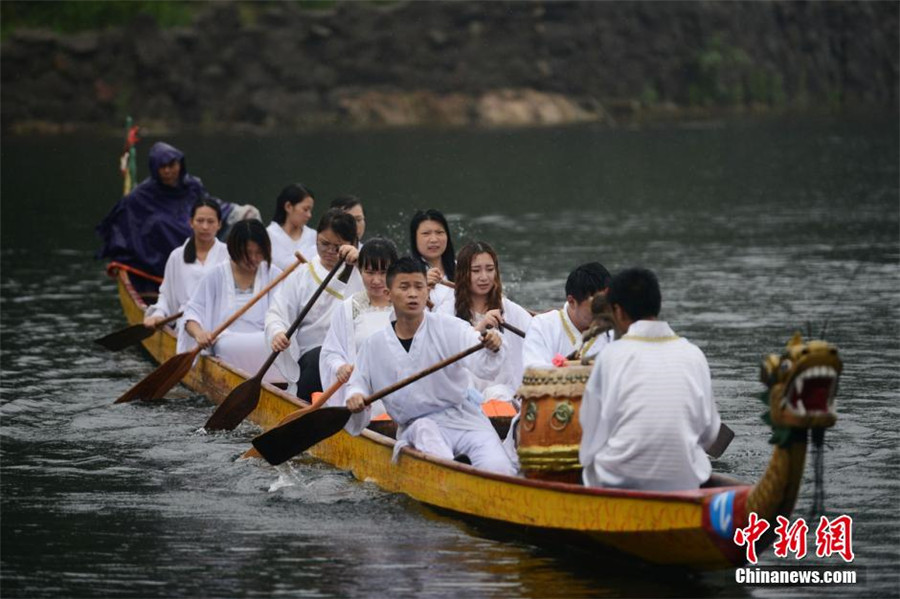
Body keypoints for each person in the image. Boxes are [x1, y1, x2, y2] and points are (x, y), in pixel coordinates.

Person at [344, 257, 516, 476]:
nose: (413, 294)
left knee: (500, 469)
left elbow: (482, 359)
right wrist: (356, 396)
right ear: (388, 294)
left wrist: (492, 345)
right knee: (427, 434)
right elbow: (357, 384)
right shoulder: (373, 346)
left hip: (464, 419)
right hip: (417, 426)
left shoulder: (450, 327)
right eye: (404, 287)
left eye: (419, 287)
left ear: (427, 292)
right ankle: (454, 474)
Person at [579, 267, 722, 491]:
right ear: (657, 305)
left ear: (617, 311)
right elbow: (710, 435)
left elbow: (591, 431)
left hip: (617, 481)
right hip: (684, 482)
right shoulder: (694, 354)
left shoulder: (610, 356)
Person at [96, 141, 257, 279]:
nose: (167, 171)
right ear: (155, 169)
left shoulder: (192, 185)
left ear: (180, 165)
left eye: (171, 165)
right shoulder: (141, 195)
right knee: (162, 224)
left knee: (248, 215)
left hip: (199, 231)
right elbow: (123, 226)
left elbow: (208, 205)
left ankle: (244, 271)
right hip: (167, 251)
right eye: (162, 167)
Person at [266, 209, 363, 398]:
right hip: (312, 358)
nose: (330, 251)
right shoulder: (301, 275)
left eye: (338, 247)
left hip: (354, 356)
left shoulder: (365, 272)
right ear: (316, 238)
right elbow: (277, 313)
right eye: (324, 243)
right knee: (319, 357)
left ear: (352, 244)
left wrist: (360, 262)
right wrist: (278, 332)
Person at [178, 219, 284, 383]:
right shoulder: (215, 275)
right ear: (234, 249)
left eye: (258, 253)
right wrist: (200, 334)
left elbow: (285, 312)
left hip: (266, 337)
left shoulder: (274, 275)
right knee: (227, 346)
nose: (253, 259)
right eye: (247, 253)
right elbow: (192, 312)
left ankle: (276, 385)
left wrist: (279, 333)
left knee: (277, 346)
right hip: (225, 339)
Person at [438, 241, 532, 404]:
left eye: (489, 269)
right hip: (462, 396)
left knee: (497, 393)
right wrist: (480, 328)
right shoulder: (445, 312)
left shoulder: (510, 310)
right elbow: (443, 355)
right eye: (476, 271)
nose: (484, 277)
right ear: (463, 273)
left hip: (504, 396)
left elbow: (537, 337)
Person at [320, 238, 398, 415]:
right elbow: (330, 351)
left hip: (400, 395)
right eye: (369, 272)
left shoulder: (405, 306)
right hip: (359, 396)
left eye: (383, 272)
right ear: (360, 270)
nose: (376, 280)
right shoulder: (348, 308)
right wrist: (340, 367)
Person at [143, 198, 230, 332]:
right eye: (200, 221)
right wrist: (158, 314)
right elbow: (167, 296)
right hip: (186, 325)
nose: (205, 227)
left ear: (219, 224)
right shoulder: (177, 256)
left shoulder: (230, 255)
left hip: (222, 324)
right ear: (191, 223)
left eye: (210, 221)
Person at [522, 262, 613, 368]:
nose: (603, 313)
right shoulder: (542, 325)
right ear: (572, 302)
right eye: (596, 308)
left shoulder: (616, 327)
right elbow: (532, 368)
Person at [409, 209, 455, 311]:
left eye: (439, 232)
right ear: (414, 238)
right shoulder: (405, 274)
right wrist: (420, 285)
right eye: (426, 233)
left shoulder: (462, 269)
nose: (434, 239)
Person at [266, 183, 318, 270]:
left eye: (310, 210)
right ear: (288, 207)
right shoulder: (268, 236)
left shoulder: (314, 236)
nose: (309, 215)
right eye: (305, 209)